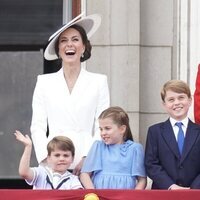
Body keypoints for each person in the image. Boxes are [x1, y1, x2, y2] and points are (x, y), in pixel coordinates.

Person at [30, 13, 110, 175]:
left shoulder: (99, 81)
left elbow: (101, 125)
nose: (69, 45)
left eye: (75, 39)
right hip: (53, 161)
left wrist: (89, 157)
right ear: (58, 50)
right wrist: (47, 159)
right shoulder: (44, 82)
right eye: (64, 41)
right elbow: (37, 126)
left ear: (84, 47)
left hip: (87, 162)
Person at [145, 80, 200, 189]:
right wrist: (170, 186)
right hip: (163, 192)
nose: (176, 103)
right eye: (171, 99)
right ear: (164, 105)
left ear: (190, 101)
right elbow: (151, 164)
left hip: (195, 193)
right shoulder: (154, 131)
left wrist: (193, 189)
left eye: (181, 97)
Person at [80, 106, 147, 189]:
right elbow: (85, 174)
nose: (103, 133)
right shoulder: (98, 147)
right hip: (100, 196)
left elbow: (142, 179)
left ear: (122, 129)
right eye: (101, 129)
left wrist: (133, 197)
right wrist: (93, 193)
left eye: (107, 128)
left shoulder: (135, 149)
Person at [14, 130, 83, 189]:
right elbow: (24, 173)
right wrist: (28, 147)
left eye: (66, 155)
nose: (61, 159)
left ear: (72, 159)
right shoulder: (41, 173)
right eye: (57, 155)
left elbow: (78, 196)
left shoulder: (74, 180)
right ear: (49, 158)